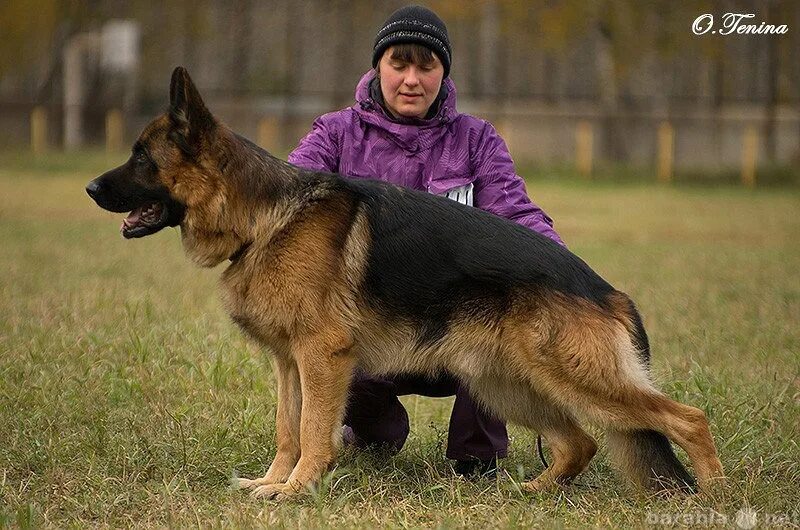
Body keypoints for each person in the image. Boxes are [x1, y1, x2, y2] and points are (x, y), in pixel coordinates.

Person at [288, 5, 564, 477]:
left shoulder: (476, 140)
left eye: (426, 65)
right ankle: (373, 435)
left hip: (459, 328)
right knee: (344, 372)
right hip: (372, 328)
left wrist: (565, 275)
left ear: (443, 72)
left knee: (500, 331)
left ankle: (477, 457)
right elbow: (289, 196)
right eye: (400, 63)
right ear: (379, 66)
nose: (411, 79)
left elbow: (516, 216)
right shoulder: (334, 134)